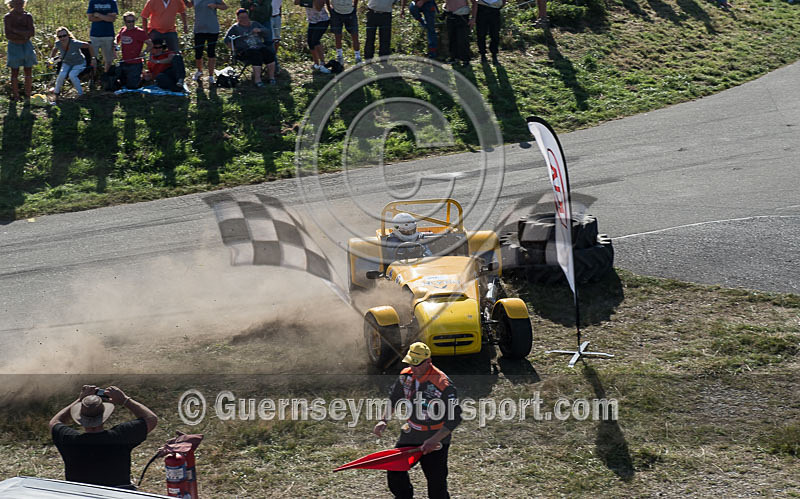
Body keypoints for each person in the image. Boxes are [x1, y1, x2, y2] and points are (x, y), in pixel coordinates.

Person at [373, 342, 462, 499]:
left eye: (417, 364)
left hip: (435, 437)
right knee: (395, 469)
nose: (413, 368)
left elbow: (454, 418)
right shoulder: (405, 376)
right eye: (410, 363)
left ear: (428, 361)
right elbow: (394, 398)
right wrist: (383, 420)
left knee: (436, 483)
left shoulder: (443, 384)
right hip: (411, 433)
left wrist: (434, 440)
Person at [49, 384, 158, 489]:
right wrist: (125, 400)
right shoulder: (121, 436)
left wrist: (80, 399)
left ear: (80, 418)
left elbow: (54, 422)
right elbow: (151, 419)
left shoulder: (69, 440)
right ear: (104, 416)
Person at [224, 8, 276, 86]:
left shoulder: (255, 24)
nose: (245, 19)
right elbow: (226, 40)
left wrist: (259, 30)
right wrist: (234, 50)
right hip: (245, 50)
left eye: (246, 17)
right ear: (238, 19)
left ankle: (271, 78)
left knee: (269, 54)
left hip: (259, 46)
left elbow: (267, 32)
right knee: (256, 55)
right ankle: (258, 80)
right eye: (242, 18)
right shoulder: (235, 28)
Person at [49, 27, 96, 98]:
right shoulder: (58, 43)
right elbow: (54, 50)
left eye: (64, 35)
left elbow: (89, 45)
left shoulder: (75, 43)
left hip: (79, 63)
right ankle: (56, 92)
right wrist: (51, 59)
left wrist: (93, 58)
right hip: (67, 63)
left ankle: (80, 94)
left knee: (72, 75)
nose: (62, 38)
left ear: (68, 35)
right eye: (60, 36)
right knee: (61, 75)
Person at [188, 0, 227, 84]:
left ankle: (211, 76)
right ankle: (199, 71)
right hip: (199, 29)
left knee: (211, 53)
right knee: (198, 53)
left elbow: (225, 7)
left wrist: (216, 5)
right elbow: (189, 5)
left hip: (212, 29)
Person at [4, 0, 36, 101]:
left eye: (21, 3)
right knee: (14, 72)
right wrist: (24, 34)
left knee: (28, 70)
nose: (20, 6)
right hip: (14, 46)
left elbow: (32, 32)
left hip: (27, 45)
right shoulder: (8, 17)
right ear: (12, 4)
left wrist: (16, 31)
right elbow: (8, 35)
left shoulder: (28, 16)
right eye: (17, 3)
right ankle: (16, 96)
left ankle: (27, 95)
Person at [116, 12, 152, 88]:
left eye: (133, 21)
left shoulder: (140, 32)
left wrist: (144, 52)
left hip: (135, 63)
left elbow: (150, 44)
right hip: (124, 61)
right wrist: (115, 44)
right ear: (125, 22)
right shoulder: (123, 30)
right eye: (129, 21)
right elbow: (117, 38)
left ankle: (143, 78)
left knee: (132, 86)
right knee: (121, 83)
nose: (131, 23)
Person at [297, 0, 331, 73]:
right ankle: (316, 63)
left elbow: (319, 8)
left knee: (315, 40)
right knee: (310, 42)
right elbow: (296, 2)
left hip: (322, 20)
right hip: (312, 21)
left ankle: (322, 63)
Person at [87, 0, 118, 73]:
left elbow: (112, 19)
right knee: (93, 58)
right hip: (95, 35)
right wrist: (106, 17)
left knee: (108, 60)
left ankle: (106, 76)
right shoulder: (93, 2)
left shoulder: (112, 2)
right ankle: (93, 76)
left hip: (108, 35)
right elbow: (90, 18)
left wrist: (98, 15)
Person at [328, 0, 361, 66]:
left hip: (350, 12)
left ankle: (358, 57)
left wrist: (355, 6)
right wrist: (329, 8)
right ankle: (340, 56)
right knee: (338, 36)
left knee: (355, 35)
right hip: (336, 13)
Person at [442, 0, 475, 65]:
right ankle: (454, 58)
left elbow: (474, 3)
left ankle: (465, 59)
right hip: (450, 16)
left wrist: (473, 18)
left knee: (463, 39)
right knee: (452, 38)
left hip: (462, 16)